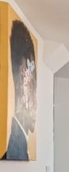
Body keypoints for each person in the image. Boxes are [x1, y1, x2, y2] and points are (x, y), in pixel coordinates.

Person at [2, 20, 37, 160]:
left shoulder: (20, 147)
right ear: (23, 73)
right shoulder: (16, 150)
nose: (35, 90)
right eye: (32, 73)